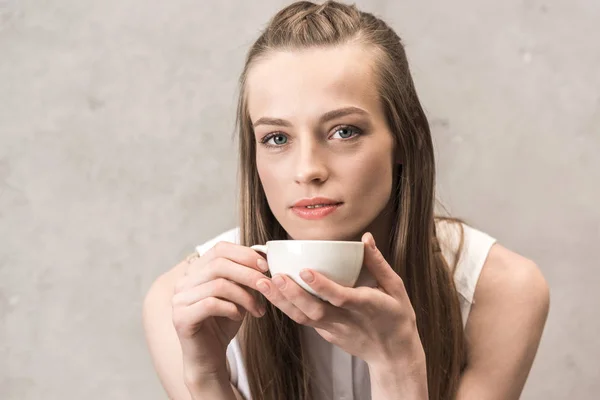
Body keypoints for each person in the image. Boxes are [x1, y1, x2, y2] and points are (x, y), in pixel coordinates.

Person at [142, 1, 550, 399]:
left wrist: (398, 365)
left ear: (405, 141)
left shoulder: (501, 292)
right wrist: (207, 377)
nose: (308, 169)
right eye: (277, 138)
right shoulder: (182, 305)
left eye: (344, 131)